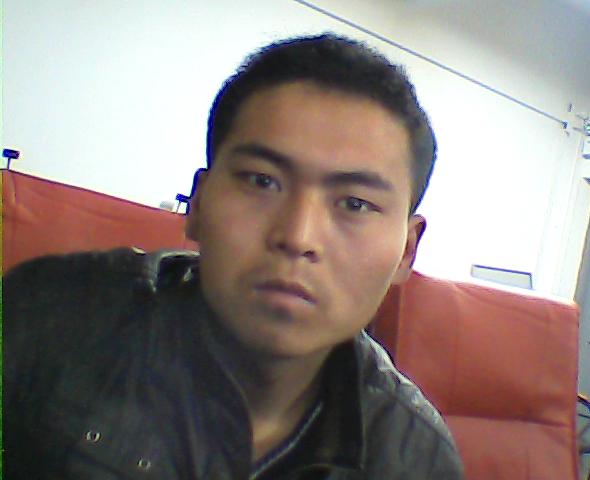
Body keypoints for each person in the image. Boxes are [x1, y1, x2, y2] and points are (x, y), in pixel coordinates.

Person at [3, 33, 464, 479]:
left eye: (355, 204)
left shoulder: (415, 458)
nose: (298, 236)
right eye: (261, 181)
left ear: (406, 250)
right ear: (198, 204)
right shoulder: (44, 319)